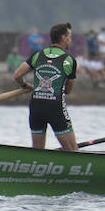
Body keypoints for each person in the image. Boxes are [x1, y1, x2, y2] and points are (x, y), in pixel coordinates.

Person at [12, 22, 79, 151]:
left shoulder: (38, 55)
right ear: (63, 38)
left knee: (37, 151)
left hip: (36, 106)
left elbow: (17, 75)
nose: (71, 39)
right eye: (70, 36)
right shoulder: (69, 60)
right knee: (72, 150)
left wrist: (25, 85)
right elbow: (68, 90)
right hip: (55, 107)